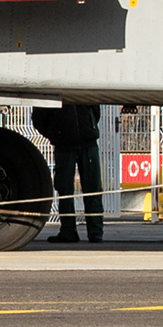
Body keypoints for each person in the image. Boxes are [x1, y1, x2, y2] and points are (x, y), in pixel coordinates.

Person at [33, 101, 106, 244]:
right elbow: (39, 118)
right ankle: (70, 231)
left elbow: (95, 109)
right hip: (66, 143)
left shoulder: (80, 89)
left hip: (84, 142)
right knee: (65, 189)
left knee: (92, 189)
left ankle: (95, 232)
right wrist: (55, 134)